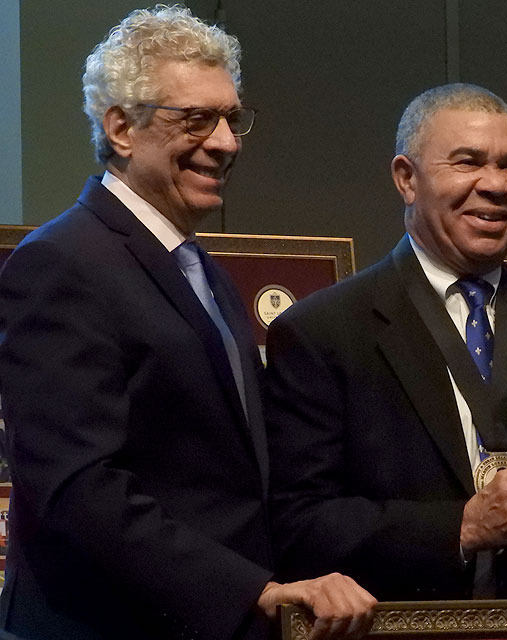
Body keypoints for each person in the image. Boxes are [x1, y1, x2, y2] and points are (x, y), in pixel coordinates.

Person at [0, 6, 374, 639]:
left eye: (232, 118)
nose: (226, 142)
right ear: (121, 127)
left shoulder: (201, 271)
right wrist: (252, 591)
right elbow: (78, 488)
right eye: (197, 119)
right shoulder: (61, 263)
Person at [265, 83, 507, 600]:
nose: (496, 184)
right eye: (467, 162)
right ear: (406, 179)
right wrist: (462, 525)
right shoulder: (323, 332)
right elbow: (299, 523)